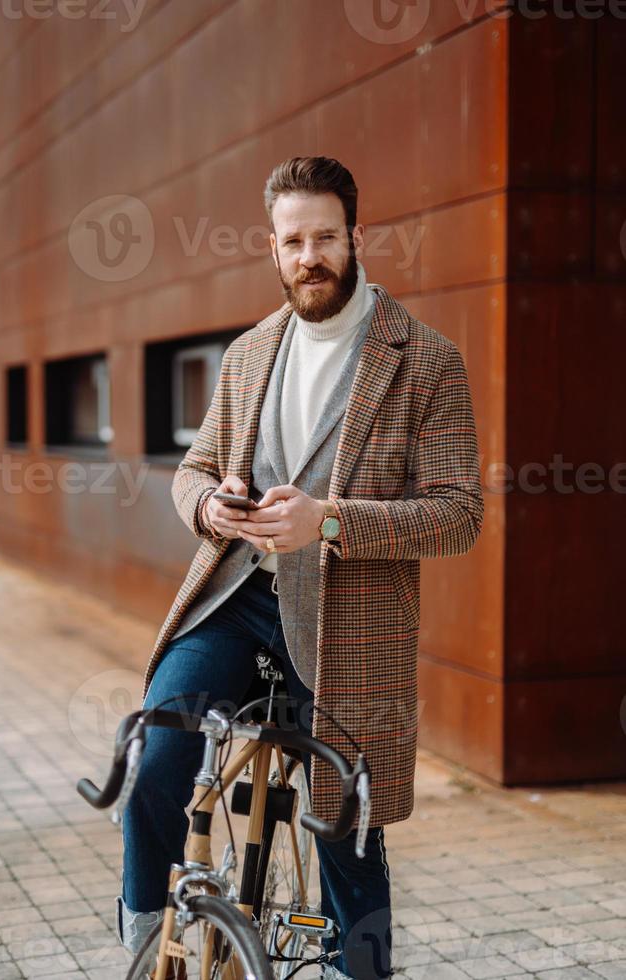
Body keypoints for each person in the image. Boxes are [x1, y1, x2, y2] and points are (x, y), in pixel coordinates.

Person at [116, 156, 484, 979]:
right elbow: (192, 471)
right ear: (273, 248)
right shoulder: (248, 353)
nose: (309, 255)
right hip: (237, 599)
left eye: (325, 237)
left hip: (347, 628)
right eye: (292, 241)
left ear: (356, 237)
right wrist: (211, 506)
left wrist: (331, 520)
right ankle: (143, 934)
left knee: (346, 833)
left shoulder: (424, 360)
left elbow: (462, 514)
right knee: (155, 757)